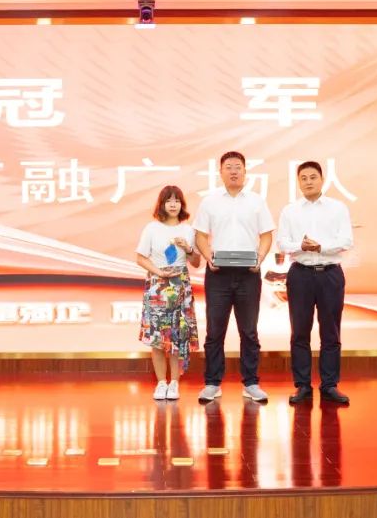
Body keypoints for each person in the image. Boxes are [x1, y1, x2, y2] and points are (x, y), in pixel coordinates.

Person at [192, 151, 275, 404]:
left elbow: (266, 234)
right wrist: (208, 256)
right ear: (220, 172)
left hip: (249, 273)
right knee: (215, 330)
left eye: (238, 167)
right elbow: (200, 235)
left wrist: (260, 258)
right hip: (218, 274)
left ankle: (251, 383)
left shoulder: (257, 201)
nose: (233, 171)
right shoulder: (209, 202)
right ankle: (212, 383)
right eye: (228, 167)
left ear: (245, 171)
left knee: (249, 331)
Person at [276, 161, 353, 405]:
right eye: (303, 178)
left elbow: (346, 240)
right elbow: (282, 242)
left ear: (322, 179)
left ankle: (329, 385)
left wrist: (321, 247)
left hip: (330, 274)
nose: (308, 181)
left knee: (331, 332)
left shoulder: (337, 208)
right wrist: (300, 246)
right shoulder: (290, 210)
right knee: (300, 331)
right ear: (298, 182)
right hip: (300, 274)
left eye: (313, 177)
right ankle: (302, 385)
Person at [135, 185, 201, 400]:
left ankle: (174, 383)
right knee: (157, 337)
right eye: (169, 201)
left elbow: (196, 262)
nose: (173, 205)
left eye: (177, 200)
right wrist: (159, 272)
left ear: (182, 205)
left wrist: (188, 249)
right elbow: (140, 258)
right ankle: (161, 383)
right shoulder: (152, 228)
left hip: (180, 284)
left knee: (177, 337)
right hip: (157, 285)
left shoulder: (188, 230)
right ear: (162, 204)